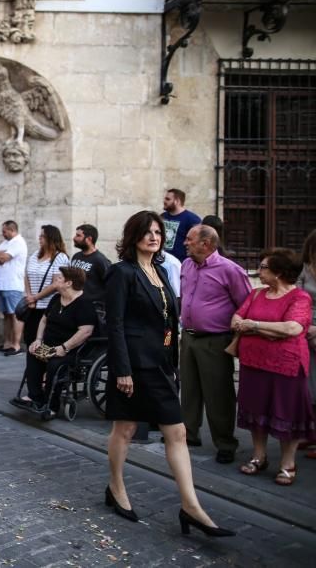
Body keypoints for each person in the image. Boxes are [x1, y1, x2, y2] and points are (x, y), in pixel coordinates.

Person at [104, 210, 233, 536]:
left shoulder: (162, 270)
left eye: (158, 232)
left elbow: (167, 321)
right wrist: (122, 370)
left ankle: (191, 507)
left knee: (176, 432)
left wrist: (172, 363)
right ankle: (116, 487)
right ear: (133, 236)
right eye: (147, 232)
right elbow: (115, 324)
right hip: (133, 366)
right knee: (126, 429)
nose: (154, 237)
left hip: (159, 365)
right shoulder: (122, 273)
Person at [232, 248, 315, 485]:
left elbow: (293, 329)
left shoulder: (300, 297)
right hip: (253, 363)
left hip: (286, 366)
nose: (259, 271)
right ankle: (259, 456)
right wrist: (266, 329)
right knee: (256, 411)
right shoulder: (256, 294)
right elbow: (236, 320)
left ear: (278, 272)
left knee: (286, 414)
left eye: (264, 267)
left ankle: (288, 463)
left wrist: (255, 326)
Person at [179, 224, 252, 463]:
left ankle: (225, 443)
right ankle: (189, 434)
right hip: (189, 337)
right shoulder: (187, 265)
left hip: (215, 339)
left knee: (218, 394)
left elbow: (245, 305)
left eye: (190, 239)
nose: (185, 243)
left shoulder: (231, 270)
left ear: (206, 244)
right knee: (189, 389)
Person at [17, 267, 96, 414]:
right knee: (33, 353)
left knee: (55, 364)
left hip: (70, 350)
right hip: (48, 344)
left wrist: (64, 347)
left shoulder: (84, 304)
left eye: (59, 278)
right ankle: (36, 397)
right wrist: (38, 340)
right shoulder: (56, 298)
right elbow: (44, 320)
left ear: (68, 283)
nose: (56, 280)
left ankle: (51, 405)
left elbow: (85, 331)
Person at [20, 225, 70, 355]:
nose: (39, 238)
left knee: (45, 343)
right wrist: (29, 296)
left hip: (47, 306)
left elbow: (55, 284)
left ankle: (44, 371)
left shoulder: (60, 257)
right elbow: (26, 275)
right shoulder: (35, 255)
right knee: (30, 339)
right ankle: (32, 371)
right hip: (32, 306)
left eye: (42, 236)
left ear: (51, 238)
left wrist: (36, 297)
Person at [0, 220, 28, 354]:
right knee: (6, 314)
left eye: (4, 231)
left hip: (13, 284)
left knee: (15, 315)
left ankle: (16, 345)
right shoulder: (6, 243)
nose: (2, 233)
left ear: (12, 230)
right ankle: (7, 343)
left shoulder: (18, 242)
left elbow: (2, 259)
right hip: (1, 284)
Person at [299, 230, 316, 460]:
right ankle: (309, 433)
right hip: (304, 327)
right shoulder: (305, 268)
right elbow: (297, 295)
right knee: (308, 386)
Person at [69, 224, 111, 318]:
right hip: (74, 305)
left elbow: (111, 285)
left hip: (92, 310)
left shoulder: (100, 260)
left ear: (89, 239)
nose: (74, 238)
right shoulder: (76, 256)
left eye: (78, 235)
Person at [162, 188, 201, 261]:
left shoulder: (192, 219)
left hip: (181, 263)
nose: (164, 201)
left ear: (177, 201)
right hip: (162, 261)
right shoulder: (162, 217)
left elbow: (197, 242)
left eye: (168, 199)